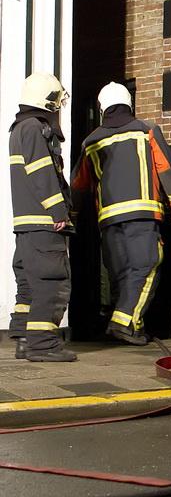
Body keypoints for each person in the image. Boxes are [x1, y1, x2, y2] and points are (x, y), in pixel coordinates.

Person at [71, 82, 171, 346]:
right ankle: (123, 323)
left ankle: (132, 326)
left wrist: (72, 214)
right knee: (146, 265)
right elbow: (165, 167)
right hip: (142, 214)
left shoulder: (90, 142)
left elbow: (78, 184)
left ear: (102, 108)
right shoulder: (146, 130)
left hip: (109, 220)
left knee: (121, 272)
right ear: (128, 103)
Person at [8, 73, 77, 362]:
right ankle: (43, 344)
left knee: (29, 283)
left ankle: (25, 339)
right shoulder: (36, 128)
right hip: (43, 222)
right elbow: (42, 172)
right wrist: (58, 211)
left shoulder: (19, 129)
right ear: (47, 100)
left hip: (26, 226)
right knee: (51, 281)